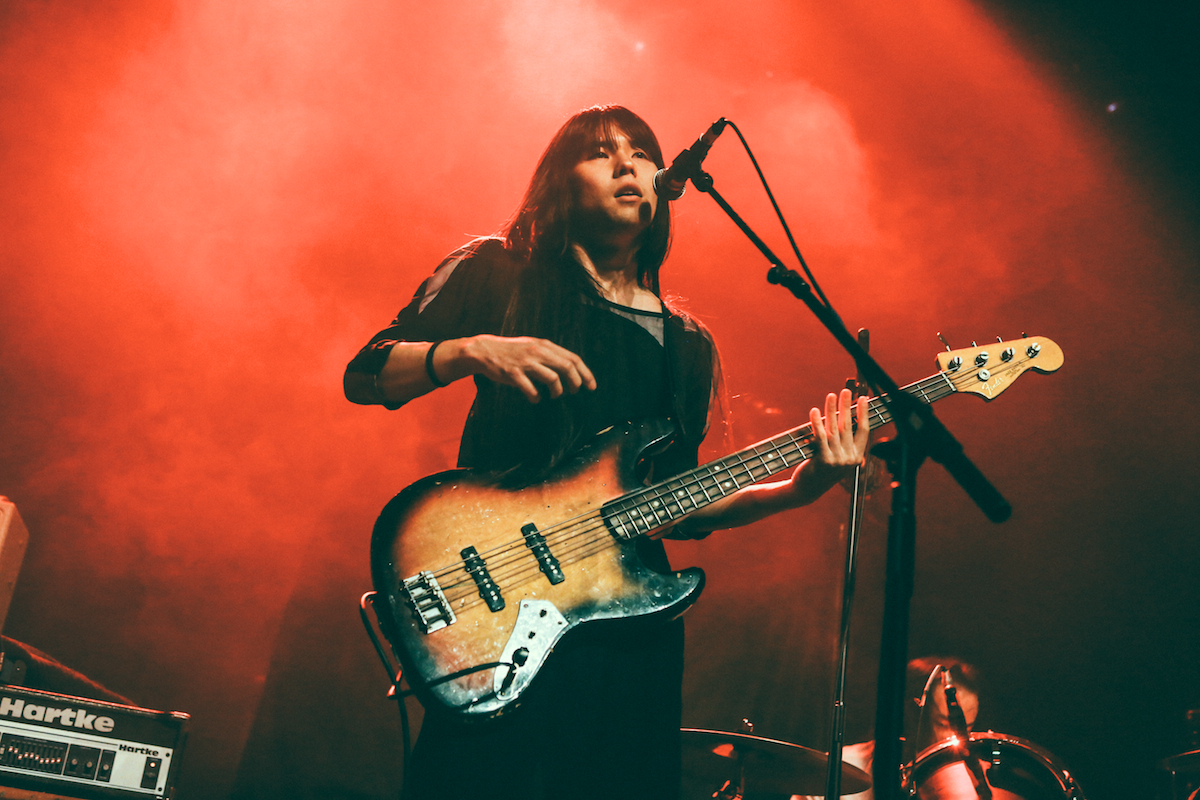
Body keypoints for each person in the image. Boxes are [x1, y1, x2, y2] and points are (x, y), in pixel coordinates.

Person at [344, 104, 871, 800]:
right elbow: (366, 375)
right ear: (561, 181)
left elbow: (677, 499)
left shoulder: (686, 342)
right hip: (495, 601)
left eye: (641, 151)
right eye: (601, 152)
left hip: (625, 635)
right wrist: (469, 350)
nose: (627, 163)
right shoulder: (498, 269)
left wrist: (802, 487)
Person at [794, 656, 982, 800]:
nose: (959, 738)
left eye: (968, 728)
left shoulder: (982, 780)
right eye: (944, 724)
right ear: (910, 712)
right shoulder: (837, 769)